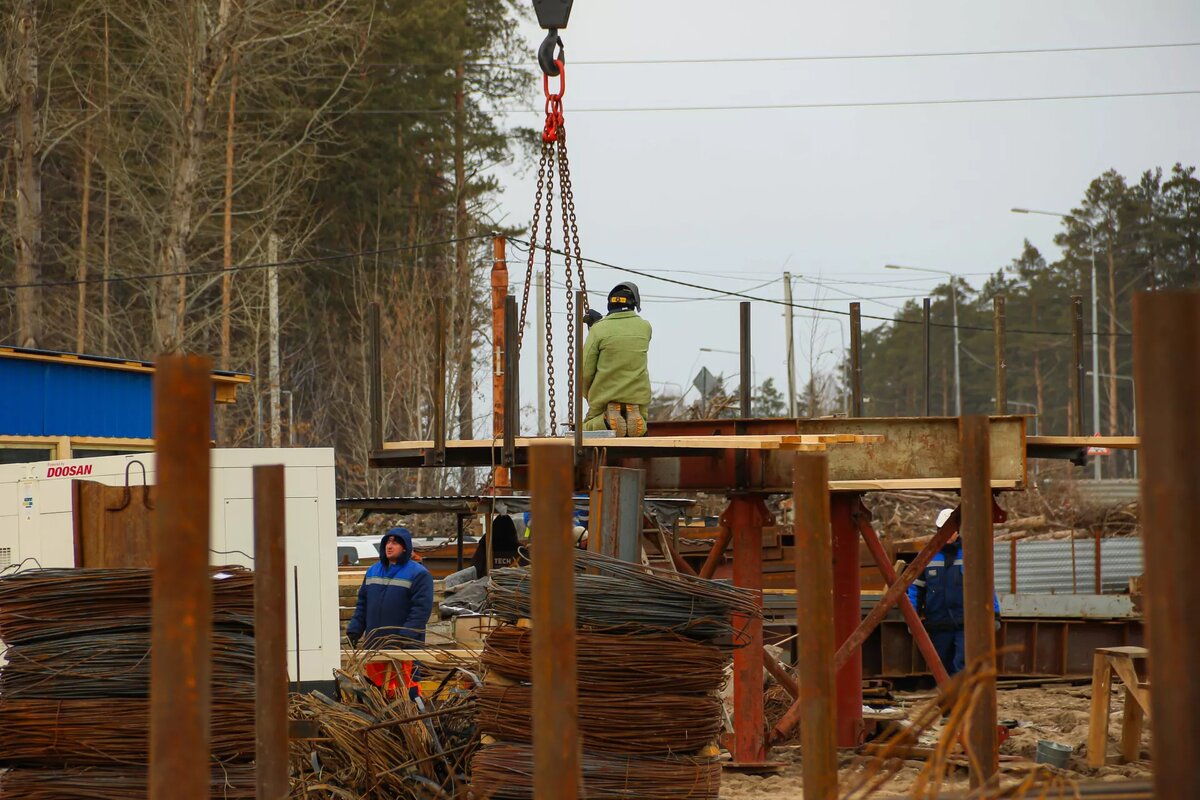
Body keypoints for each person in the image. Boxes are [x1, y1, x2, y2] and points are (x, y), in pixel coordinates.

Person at [907, 508, 1000, 675]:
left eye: (951, 531)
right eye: (944, 531)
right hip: (937, 624)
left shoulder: (970, 556)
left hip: (965, 624)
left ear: (957, 531)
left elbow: (986, 588)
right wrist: (911, 617)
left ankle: (962, 699)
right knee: (942, 667)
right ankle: (949, 698)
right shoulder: (927, 557)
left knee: (962, 663)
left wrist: (995, 614)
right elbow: (915, 589)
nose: (948, 535)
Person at [346, 528, 434, 698]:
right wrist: (354, 630)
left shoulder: (419, 574)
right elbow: (362, 604)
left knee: (407, 693)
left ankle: (411, 723)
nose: (389, 546)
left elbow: (420, 612)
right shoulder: (373, 571)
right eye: (387, 542)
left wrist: (402, 638)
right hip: (375, 647)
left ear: (405, 548)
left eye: (395, 542)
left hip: (404, 650)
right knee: (377, 693)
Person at [581, 282, 652, 437]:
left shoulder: (598, 330)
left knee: (585, 429)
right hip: (637, 398)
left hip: (605, 398)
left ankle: (606, 420)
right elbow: (622, 335)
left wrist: (589, 395)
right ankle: (632, 415)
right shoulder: (645, 327)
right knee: (642, 424)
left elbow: (584, 371)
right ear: (635, 304)